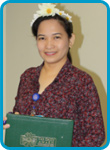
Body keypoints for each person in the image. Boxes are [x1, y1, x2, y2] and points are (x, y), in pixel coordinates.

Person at [3, 3, 105, 147]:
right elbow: (20, 115)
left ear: (71, 40)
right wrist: (11, 123)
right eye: (42, 38)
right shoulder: (27, 76)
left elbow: (96, 135)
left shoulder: (82, 81)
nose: (48, 45)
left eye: (56, 37)